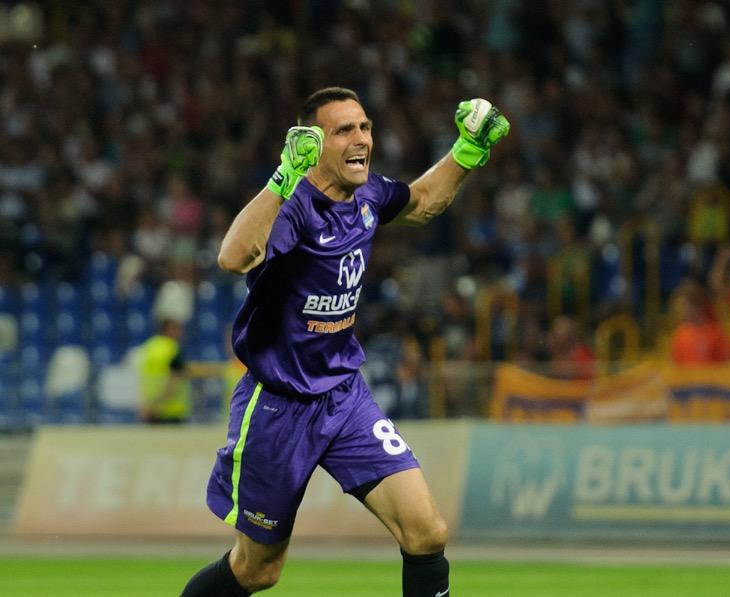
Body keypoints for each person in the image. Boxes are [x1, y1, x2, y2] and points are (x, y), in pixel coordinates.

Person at [180, 87, 509, 597]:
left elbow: (422, 202)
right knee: (257, 570)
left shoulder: (368, 194)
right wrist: (283, 176)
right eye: (343, 130)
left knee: (426, 532)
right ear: (312, 143)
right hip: (279, 405)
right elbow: (233, 256)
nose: (361, 139)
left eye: (365, 127)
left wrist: (466, 151)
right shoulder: (293, 208)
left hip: (344, 396)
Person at [137, 317, 191, 423]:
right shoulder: (173, 350)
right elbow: (173, 383)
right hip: (171, 413)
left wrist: (145, 406)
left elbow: (142, 381)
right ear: (168, 330)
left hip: (149, 411)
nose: (182, 333)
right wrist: (157, 405)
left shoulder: (148, 347)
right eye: (178, 329)